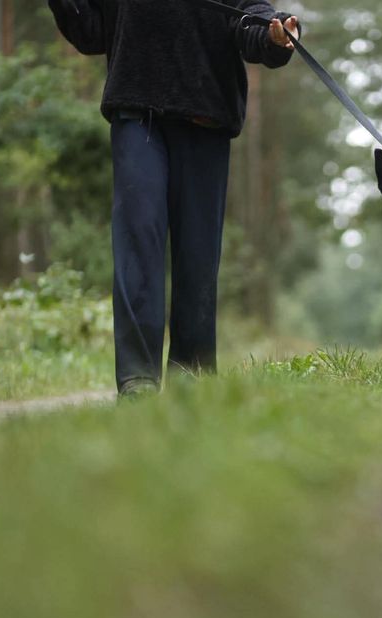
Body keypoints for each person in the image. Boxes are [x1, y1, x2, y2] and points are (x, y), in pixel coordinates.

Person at [48, 0, 300, 397]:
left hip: (205, 121)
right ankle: (138, 378)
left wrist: (274, 34)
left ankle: (192, 381)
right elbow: (91, 32)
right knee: (138, 238)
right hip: (136, 114)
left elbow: (249, 21)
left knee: (197, 257)